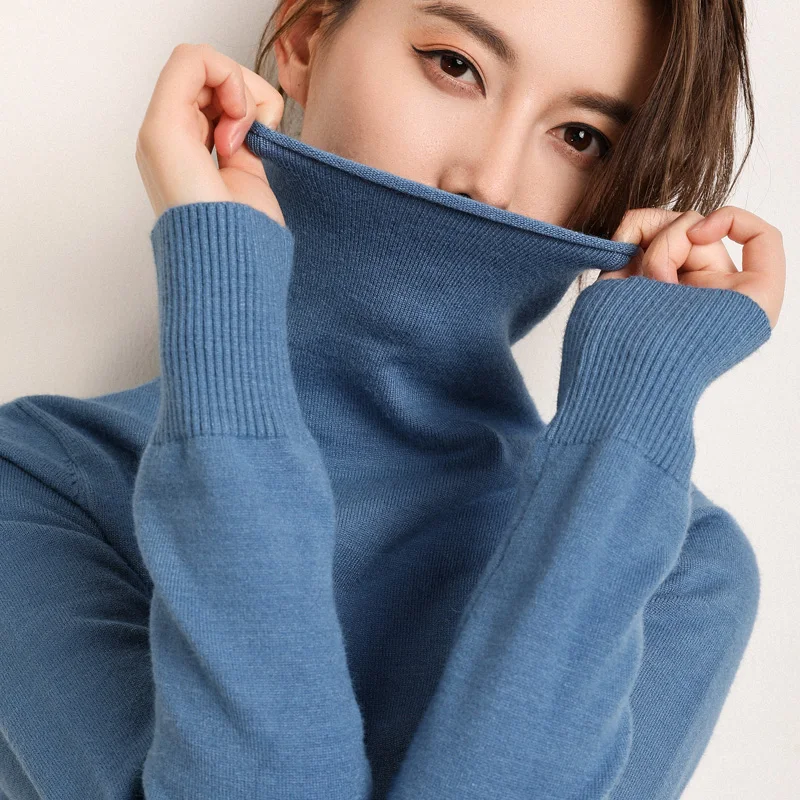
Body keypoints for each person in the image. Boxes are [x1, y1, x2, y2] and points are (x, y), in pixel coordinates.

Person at [0, 1, 785, 799]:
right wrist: (222, 278)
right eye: (455, 66)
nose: (488, 181)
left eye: (581, 137)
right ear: (305, 36)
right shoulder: (34, 483)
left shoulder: (678, 562)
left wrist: (629, 423)